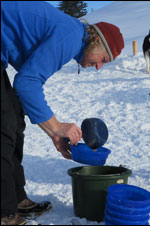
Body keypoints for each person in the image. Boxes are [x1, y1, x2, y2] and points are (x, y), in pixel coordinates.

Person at [1, 2, 124, 225]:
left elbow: (27, 81)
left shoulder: (71, 33)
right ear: (96, 40)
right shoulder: (70, 36)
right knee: (3, 129)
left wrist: (54, 134)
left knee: (14, 123)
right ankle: (3, 211)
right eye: (103, 59)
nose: (99, 67)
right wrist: (57, 126)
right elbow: (27, 83)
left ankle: (15, 199)